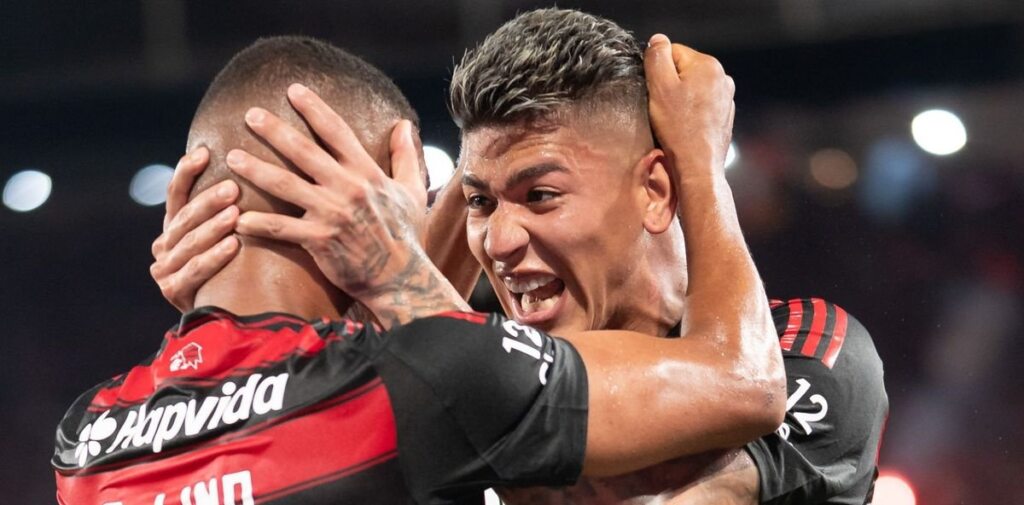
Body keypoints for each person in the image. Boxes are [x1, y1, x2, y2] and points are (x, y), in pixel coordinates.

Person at [149, 9, 884, 504]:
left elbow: (561, 454)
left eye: (540, 196)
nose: (499, 242)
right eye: (479, 202)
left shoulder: (808, 352)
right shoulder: (455, 364)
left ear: (657, 190)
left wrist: (700, 163)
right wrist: (223, 310)